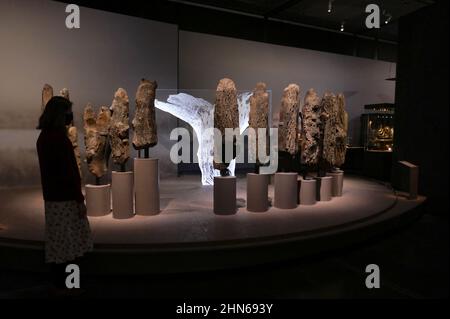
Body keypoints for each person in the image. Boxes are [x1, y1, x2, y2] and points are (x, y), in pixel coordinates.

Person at [36, 96, 93, 294]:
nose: (70, 116)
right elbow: (68, 172)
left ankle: (61, 284)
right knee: (70, 246)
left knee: (59, 243)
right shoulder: (58, 139)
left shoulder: (43, 137)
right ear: (60, 114)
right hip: (65, 199)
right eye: (67, 112)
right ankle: (71, 285)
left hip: (52, 198)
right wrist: (79, 199)